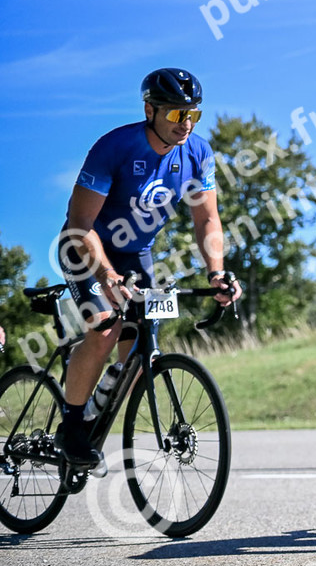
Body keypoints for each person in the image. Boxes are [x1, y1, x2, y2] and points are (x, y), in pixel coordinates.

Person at [55, 69, 239, 468]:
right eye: (175, 114)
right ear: (149, 110)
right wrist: (106, 276)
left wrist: (216, 273)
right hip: (85, 246)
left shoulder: (197, 153)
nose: (186, 124)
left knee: (139, 358)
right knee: (105, 328)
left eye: (193, 114)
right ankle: (70, 426)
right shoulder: (115, 147)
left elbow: (207, 219)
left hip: (137, 254)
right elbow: (80, 223)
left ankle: (94, 407)